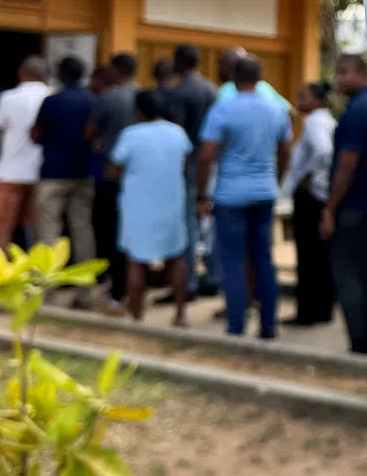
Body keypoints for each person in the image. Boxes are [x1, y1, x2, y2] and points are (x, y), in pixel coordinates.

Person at [198, 56, 292, 338]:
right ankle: (269, 324)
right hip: (264, 193)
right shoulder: (277, 110)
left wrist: (201, 194)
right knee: (263, 258)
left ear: (232, 79)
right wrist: (275, 180)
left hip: (230, 196)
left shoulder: (223, 110)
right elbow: (285, 151)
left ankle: (236, 324)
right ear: (259, 78)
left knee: (234, 261)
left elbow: (206, 156)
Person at [320, 54, 367, 355]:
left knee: (349, 272)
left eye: (344, 72)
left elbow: (347, 163)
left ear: (362, 73)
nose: (338, 79)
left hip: (353, 205)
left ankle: (360, 341)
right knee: (365, 271)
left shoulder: (357, 112)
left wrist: (330, 208)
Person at [110, 90, 193, 326]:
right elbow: (184, 164)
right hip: (170, 202)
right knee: (176, 257)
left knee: (136, 260)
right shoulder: (178, 133)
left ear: (138, 111)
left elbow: (114, 169)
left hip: (138, 205)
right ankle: (181, 314)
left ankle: (137, 316)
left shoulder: (131, 134)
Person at [31, 56, 96, 308]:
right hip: (83, 174)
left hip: (53, 174)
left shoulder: (52, 101)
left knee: (48, 232)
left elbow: (36, 134)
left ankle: (46, 292)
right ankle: (86, 292)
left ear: (59, 74)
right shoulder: (92, 100)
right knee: (83, 232)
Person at [280, 81, 337, 326]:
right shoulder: (327, 120)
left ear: (316, 99)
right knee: (319, 256)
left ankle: (308, 313)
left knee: (308, 256)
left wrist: (308, 176)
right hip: (319, 193)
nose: (298, 101)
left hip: (310, 195)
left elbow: (323, 151)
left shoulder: (314, 122)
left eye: (303, 96)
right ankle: (322, 309)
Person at [87, 53, 139, 315]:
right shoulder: (143, 96)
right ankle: (132, 286)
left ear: (117, 71)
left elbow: (89, 132)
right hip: (140, 177)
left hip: (110, 174)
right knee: (131, 232)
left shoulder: (108, 98)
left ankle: (114, 285)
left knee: (109, 231)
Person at [167, 44, 218, 301]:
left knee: (187, 225)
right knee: (209, 223)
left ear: (180, 61)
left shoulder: (180, 91)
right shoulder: (211, 88)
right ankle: (212, 276)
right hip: (212, 164)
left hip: (188, 165)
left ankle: (187, 284)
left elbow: (176, 131)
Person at [0, 55, 50, 251]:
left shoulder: (8, 97)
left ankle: (1, 273)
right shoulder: (52, 96)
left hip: (9, 171)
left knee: (3, 225)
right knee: (35, 225)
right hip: (41, 171)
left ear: (21, 74)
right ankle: (33, 272)